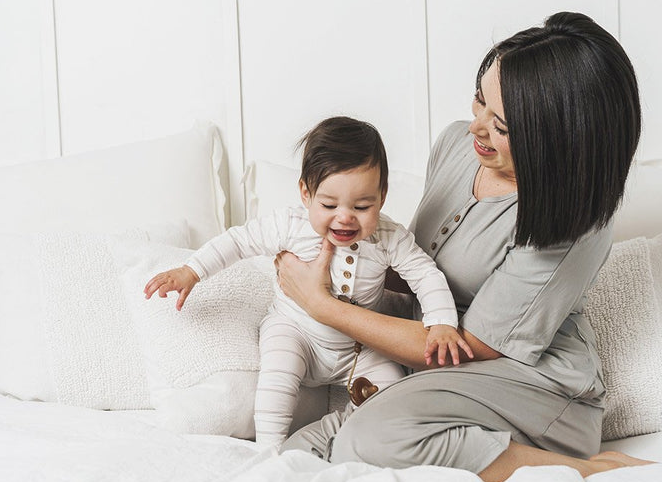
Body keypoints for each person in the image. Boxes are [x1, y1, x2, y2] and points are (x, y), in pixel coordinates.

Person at [276, 12, 653, 482]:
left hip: (531, 388)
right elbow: (410, 265)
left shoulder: (573, 224)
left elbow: (469, 347)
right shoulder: (456, 144)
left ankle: (581, 467)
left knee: (369, 439)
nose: (476, 128)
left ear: (556, 140)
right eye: (479, 103)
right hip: (434, 375)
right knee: (296, 452)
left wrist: (322, 306)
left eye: (502, 127)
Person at [144, 116, 472, 450]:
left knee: (391, 387)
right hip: (296, 332)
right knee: (276, 379)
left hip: (357, 346)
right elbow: (238, 241)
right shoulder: (290, 225)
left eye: (362, 206)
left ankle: (353, 435)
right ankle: (270, 449)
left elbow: (425, 273)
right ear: (306, 193)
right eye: (329, 205)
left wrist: (442, 322)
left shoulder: (389, 238)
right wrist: (192, 271)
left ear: (382, 196)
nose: (345, 217)